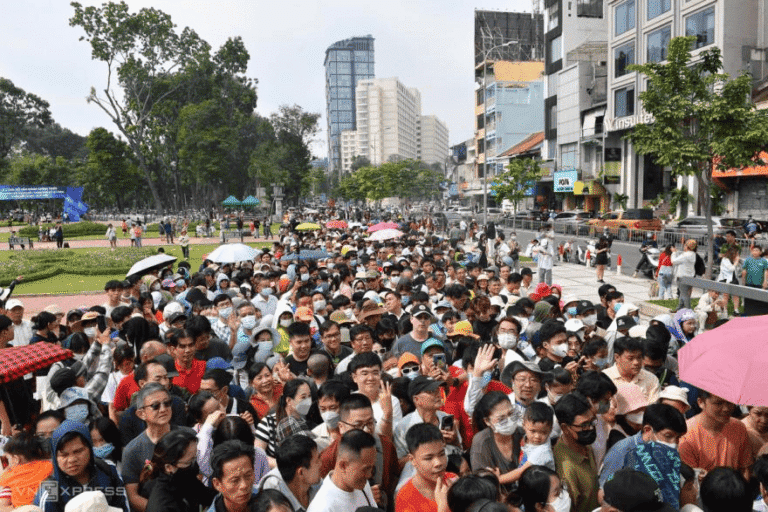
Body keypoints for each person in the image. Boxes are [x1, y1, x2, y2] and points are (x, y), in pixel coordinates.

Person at [121, 382, 193, 512]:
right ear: (141, 414)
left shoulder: (189, 436)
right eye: (155, 406)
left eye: (167, 403)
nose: (163, 409)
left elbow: (201, 475)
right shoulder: (132, 450)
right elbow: (133, 496)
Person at [34, 420, 129, 512]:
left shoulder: (108, 470)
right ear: (55, 457)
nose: (72, 460)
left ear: (90, 449)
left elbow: (123, 506)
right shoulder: (50, 491)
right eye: (64, 455)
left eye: (78, 451)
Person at [599, 403, 687, 487]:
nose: (674, 443)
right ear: (648, 430)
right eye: (668, 436)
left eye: (678, 437)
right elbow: (604, 489)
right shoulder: (622, 451)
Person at [679, 389, 753, 477]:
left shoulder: (739, 427)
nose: (726, 409)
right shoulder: (686, 434)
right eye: (718, 403)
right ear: (701, 402)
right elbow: (691, 479)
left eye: (730, 402)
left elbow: (745, 468)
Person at [140, 429, 216, 512]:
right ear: (169, 467)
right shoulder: (162, 505)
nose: (194, 464)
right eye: (189, 461)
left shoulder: (185, 480)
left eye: (195, 458)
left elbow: (208, 497)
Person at [469, 391, 526, 493]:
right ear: (487, 421)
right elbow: (483, 483)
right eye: (501, 419)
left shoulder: (523, 434)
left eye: (511, 414)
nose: (509, 421)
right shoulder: (481, 441)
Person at [307, 430, 377, 512]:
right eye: (365, 469)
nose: (369, 475)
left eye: (372, 468)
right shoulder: (322, 508)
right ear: (343, 465)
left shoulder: (362, 485)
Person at [553, 393, 599, 512]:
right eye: (584, 425)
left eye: (592, 421)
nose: (590, 428)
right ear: (565, 428)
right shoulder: (566, 470)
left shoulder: (583, 444)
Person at [395, 423, 456, 512]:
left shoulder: (453, 479)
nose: (438, 463)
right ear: (412, 460)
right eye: (428, 458)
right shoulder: (406, 498)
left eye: (442, 454)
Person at [257, 434, 322, 512]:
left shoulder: (316, 483)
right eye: (317, 461)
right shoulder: (274, 489)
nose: (320, 464)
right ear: (301, 472)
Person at [0, 431, 53, 509]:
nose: (7, 463)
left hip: (20, 507)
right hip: (43, 505)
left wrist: (6, 471)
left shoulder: (10, 474)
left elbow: (2, 481)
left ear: (16, 459)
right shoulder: (49, 465)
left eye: (7, 459)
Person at [602, 336, 660, 403]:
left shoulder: (651, 379)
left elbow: (653, 407)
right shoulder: (604, 378)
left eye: (639, 357)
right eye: (630, 358)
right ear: (617, 357)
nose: (636, 362)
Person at [208, 440, 259, 512]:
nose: (244, 485)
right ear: (217, 484)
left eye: (248, 476)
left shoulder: (267, 500)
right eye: (235, 480)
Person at [671, 239, 698, 310]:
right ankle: (679, 308)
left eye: (685, 245)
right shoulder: (693, 254)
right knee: (683, 293)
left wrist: (673, 253)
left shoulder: (686, 255)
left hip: (682, 277)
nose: (684, 246)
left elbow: (674, 261)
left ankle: (689, 310)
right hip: (690, 277)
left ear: (687, 246)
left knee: (684, 294)